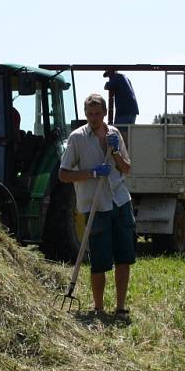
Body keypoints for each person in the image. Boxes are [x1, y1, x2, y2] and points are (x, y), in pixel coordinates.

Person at [59, 93, 134, 315]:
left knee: (124, 257)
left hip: (120, 201)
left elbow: (127, 169)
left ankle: (120, 307)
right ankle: (98, 308)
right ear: (85, 114)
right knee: (100, 260)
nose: (93, 118)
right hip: (95, 206)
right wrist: (92, 173)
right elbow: (63, 175)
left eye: (97, 114)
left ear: (104, 113)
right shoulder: (77, 138)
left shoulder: (114, 134)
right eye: (89, 114)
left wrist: (117, 153)